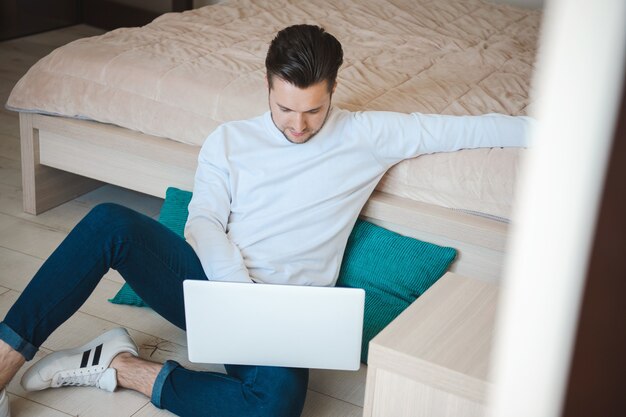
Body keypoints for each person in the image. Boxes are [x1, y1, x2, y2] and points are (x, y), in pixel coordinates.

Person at [0, 24, 532, 417]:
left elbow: (465, 128)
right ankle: (4, 362)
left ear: (333, 93)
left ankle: (119, 367)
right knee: (109, 222)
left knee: (274, 407)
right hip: (213, 287)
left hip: (286, 317)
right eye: (284, 109)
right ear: (268, 85)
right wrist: (234, 285)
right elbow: (204, 218)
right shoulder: (231, 140)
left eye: (313, 111)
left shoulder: (370, 135)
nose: (298, 125)